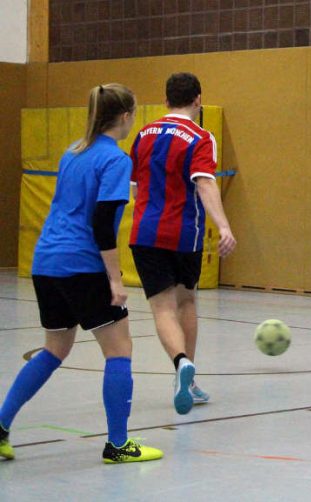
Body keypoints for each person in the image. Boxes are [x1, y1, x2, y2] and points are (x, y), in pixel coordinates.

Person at [0, 84, 163, 464]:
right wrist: (115, 280)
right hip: (82, 263)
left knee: (54, 349)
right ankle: (118, 445)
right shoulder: (116, 160)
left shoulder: (72, 152)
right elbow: (103, 222)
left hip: (47, 261)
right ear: (124, 117)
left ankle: (1, 425)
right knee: (120, 349)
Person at [129, 72, 236, 415]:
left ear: (165, 101)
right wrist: (223, 227)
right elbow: (204, 183)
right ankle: (186, 374)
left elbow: (134, 187)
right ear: (198, 99)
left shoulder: (143, 134)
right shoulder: (201, 137)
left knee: (162, 307)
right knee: (186, 301)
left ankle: (179, 365)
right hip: (183, 233)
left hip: (145, 232)